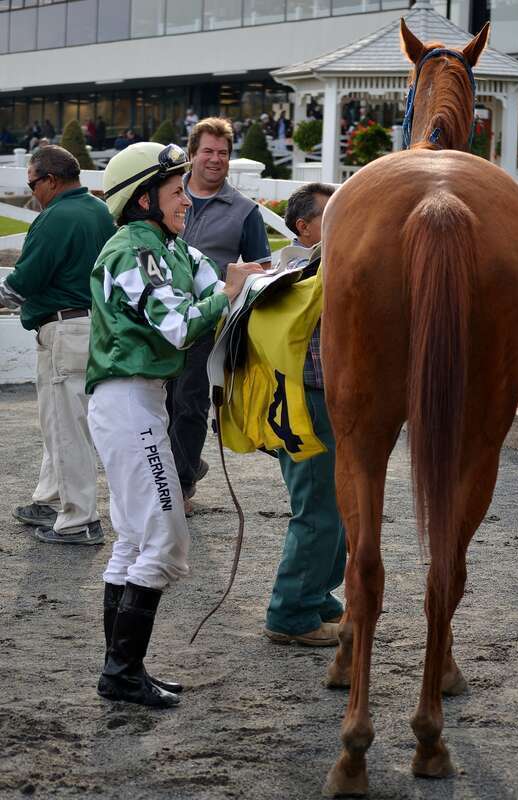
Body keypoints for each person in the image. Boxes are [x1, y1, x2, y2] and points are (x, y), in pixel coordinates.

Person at [86, 141, 263, 708]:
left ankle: (121, 672)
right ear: (144, 198)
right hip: (128, 402)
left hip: (142, 402)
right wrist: (230, 289)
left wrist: (240, 285)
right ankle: (122, 673)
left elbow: (218, 289)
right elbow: (178, 326)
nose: (186, 198)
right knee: (163, 538)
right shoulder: (131, 250)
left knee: (135, 538)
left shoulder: (169, 247)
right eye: (174, 190)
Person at [0, 145, 116, 544]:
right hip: (90, 325)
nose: (33, 191)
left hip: (64, 328)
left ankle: (80, 519)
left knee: (66, 428)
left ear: (51, 179)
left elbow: (23, 283)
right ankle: (49, 500)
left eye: (34, 183)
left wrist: (6, 290)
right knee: (63, 424)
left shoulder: (56, 216)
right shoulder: (99, 210)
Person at [166, 117, 271, 514]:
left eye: (223, 153)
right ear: (191, 154)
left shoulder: (245, 211)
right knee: (158, 401)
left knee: (190, 402)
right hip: (160, 317)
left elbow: (262, 269)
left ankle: (181, 487)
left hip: (209, 321)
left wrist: (239, 284)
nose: (215, 159)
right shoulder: (168, 197)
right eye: (207, 151)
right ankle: (185, 463)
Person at [263, 182, 347, 647]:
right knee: (317, 508)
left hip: (316, 397)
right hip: (308, 399)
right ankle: (291, 613)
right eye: (331, 216)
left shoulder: (296, 263)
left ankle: (316, 596)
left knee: (331, 505)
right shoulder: (303, 266)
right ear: (305, 227)